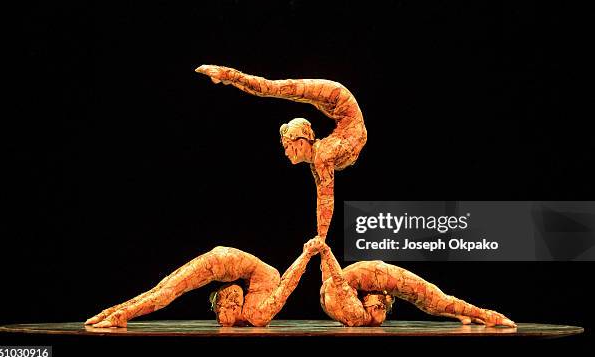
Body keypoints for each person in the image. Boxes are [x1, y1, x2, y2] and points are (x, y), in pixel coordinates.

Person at [195, 65, 367, 240]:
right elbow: (323, 197)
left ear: (300, 142)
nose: (285, 153)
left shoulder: (323, 154)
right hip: (341, 107)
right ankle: (228, 76)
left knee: (274, 88)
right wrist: (321, 238)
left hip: (338, 98)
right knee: (274, 88)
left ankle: (228, 75)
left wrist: (321, 239)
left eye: (287, 146)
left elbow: (325, 198)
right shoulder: (320, 156)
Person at [85, 237, 324, 328]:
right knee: (166, 292)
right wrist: (306, 254)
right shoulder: (259, 313)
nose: (222, 317)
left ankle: (114, 312)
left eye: (220, 310)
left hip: (224, 261)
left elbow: (280, 285)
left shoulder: (252, 302)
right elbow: (287, 285)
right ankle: (119, 316)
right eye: (223, 311)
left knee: (163, 290)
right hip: (221, 261)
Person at [317, 242, 516, 327]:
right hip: (370, 275)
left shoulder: (356, 315)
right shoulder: (351, 310)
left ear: (370, 302)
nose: (381, 311)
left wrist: (324, 251)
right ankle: (466, 314)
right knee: (431, 304)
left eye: (380, 309)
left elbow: (337, 280)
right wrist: (320, 252)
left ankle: (487, 315)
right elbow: (334, 278)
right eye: (383, 309)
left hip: (379, 274)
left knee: (436, 301)